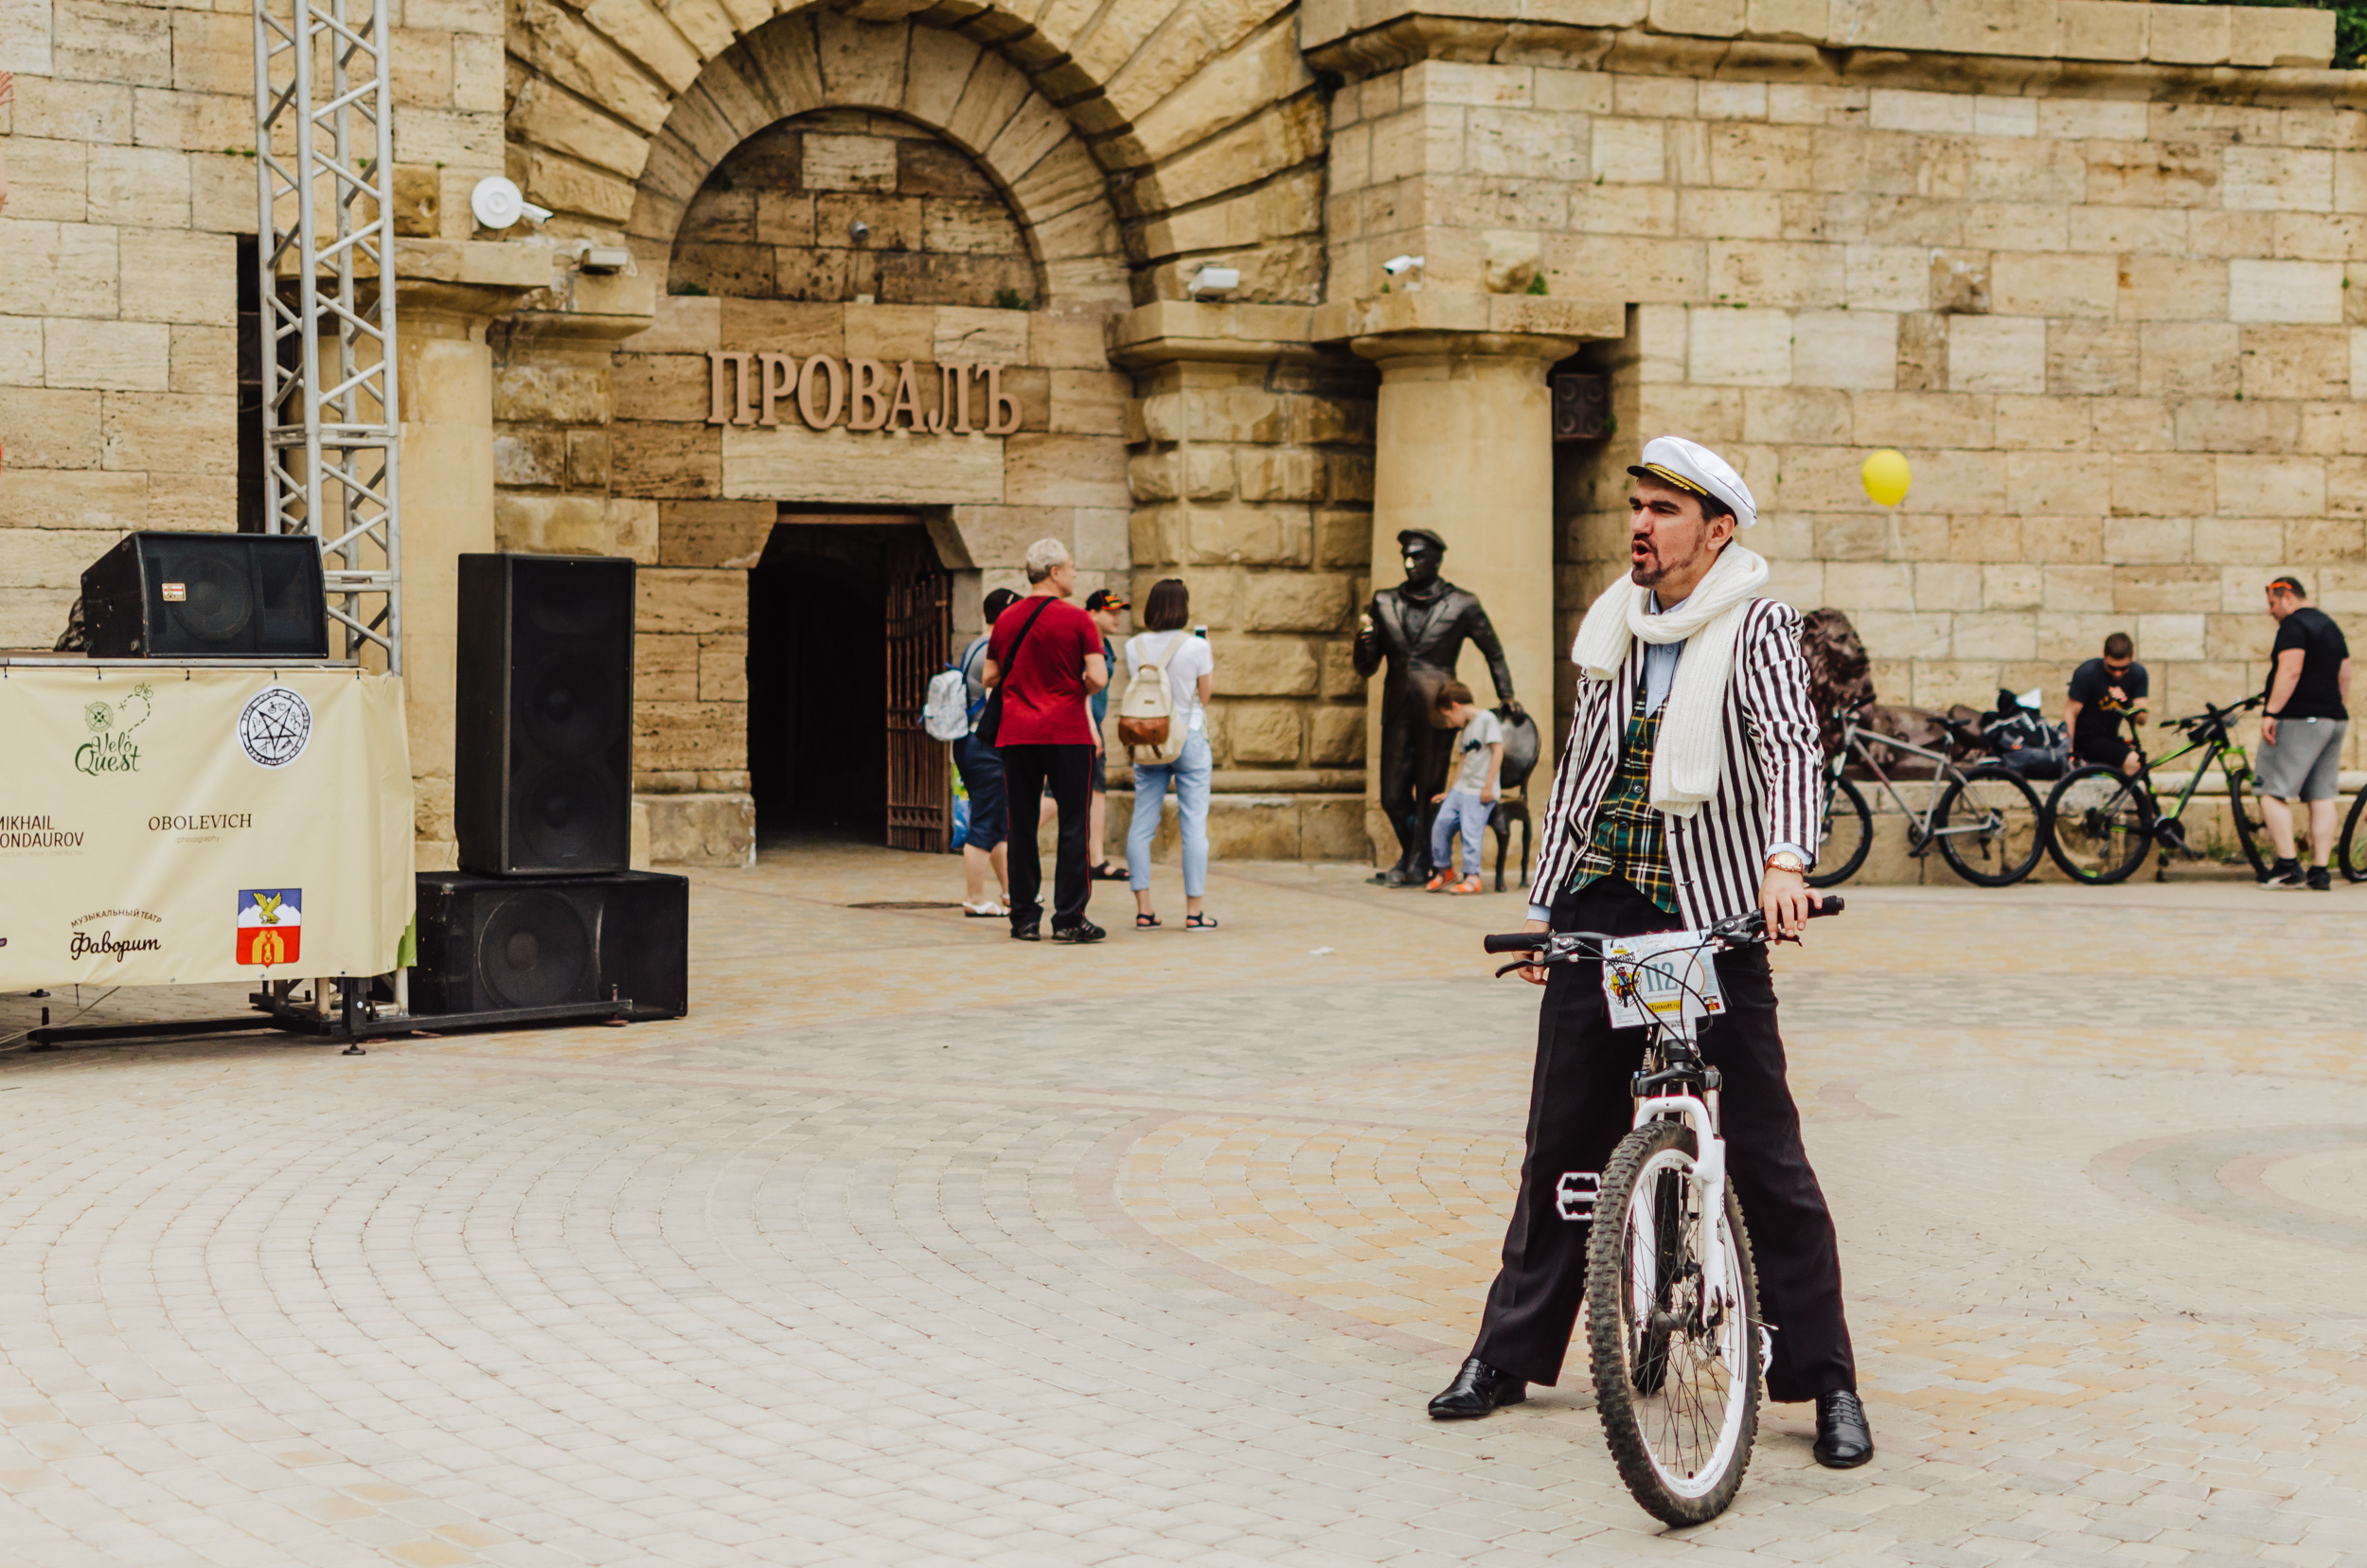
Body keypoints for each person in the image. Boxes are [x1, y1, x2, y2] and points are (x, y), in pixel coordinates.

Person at [1429, 435, 1872, 1472]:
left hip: (1712, 912)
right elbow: (1583, 776)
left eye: (1663, 511)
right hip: (1603, 907)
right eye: (1635, 506)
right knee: (1561, 1148)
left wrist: (1782, 862)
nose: (1639, 524)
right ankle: (1505, 1354)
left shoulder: (1758, 624)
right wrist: (1548, 913)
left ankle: (1829, 1378)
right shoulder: (1614, 626)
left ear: (1717, 530)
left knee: (1762, 1152)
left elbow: (1786, 748)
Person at [1353, 529, 1520, 885]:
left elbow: (1493, 650)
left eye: (1417, 556)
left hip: (1438, 710)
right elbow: (1366, 667)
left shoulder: (1462, 603)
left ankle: (1414, 864)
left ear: (1436, 559)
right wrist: (1362, 646)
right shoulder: (1383, 602)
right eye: (1405, 556)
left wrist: (1506, 695)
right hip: (1397, 707)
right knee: (1392, 795)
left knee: (1428, 792)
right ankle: (1421, 857)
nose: (1409, 563)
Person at [982, 540, 1108, 942]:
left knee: (1020, 823)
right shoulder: (1078, 621)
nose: (1073, 574)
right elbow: (1098, 678)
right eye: (1070, 568)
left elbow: (988, 676)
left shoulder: (1005, 619)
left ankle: (1024, 918)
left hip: (1018, 731)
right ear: (1054, 572)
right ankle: (1069, 918)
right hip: (1067, 731)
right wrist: (1073, 684)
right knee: (1074, 824)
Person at [1124, 579, 1218, 930]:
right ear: (1184, 606)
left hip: (1148, 739)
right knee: (1193, 825)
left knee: (1141, 824)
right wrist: (1206, 652)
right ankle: (1194, 914)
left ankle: (1144, 909)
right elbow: (1204, 698)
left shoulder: (1134, 646)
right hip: (1189, 737)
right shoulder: (1197, 647)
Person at [2256, 576, 2352, 890]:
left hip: (2299, 718)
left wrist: (2271, 712)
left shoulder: (2294, 627)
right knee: (2321, 795)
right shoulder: (2330, 626)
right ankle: (2320, 871)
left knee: (2270, 790)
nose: (2271, 612)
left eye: (2272, 603)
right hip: (2333, 719)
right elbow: (2345, 674)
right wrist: (2331, 706)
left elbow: (2291, 669)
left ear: (2286, 596)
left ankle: (2287, 865)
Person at [952, 587, 1021, 917]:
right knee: (986, 821)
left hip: (970, 742)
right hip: (985, 745)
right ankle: (975, 899)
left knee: (997, 820)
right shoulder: (994, 651)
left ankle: (1011, 892)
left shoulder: (976, 645)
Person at [1424, 682, 1503, 895]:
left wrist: (1488, 786)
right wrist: (1452, 790)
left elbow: (1497, 752)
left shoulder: (1487, 719)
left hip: (1479, 791)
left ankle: (1472, 877)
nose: (1449, 722)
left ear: (1455, 706)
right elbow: (1463, 761)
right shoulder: (1465, 729)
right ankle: (1445, 870)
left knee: (1471, 829)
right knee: (1441, 824)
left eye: (1447, 716)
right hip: (1462, 789)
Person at [1083, 588, 1131, 883]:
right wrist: (1090, 729)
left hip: (1094, 726)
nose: (1116, 617)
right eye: (1109, 612)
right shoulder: (1084, 644)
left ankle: (1096, 860)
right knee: (1053, 796)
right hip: (1080, 727)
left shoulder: (1107, 646)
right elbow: (1079, 689)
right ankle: (1008, 838)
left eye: (1118, 611)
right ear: (1092, 614)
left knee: (1098, 791)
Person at [2063, 632, 2148, 775]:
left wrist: (2126, 703)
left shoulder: (2137, 674)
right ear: (2104, 657)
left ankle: (2125, 797)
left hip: (2110, 738)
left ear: (2131, 659)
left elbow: (2142, 719)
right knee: (2133, 762)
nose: (2117, 674)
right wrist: (2068, 751)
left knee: (2141, 767)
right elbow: (2070, 714)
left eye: (2123, 668)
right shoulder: (2087, 673)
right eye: (2112, 667)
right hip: (2085, 739)